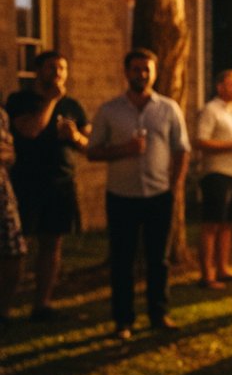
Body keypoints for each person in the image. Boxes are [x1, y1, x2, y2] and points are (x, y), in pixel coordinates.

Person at [86, 49, 190, 339]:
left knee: (159, 259)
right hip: (121, 196)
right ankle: (124, 320)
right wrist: (125, 150)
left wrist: (176, 185)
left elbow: (182, 149)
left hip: (159, 195)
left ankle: (159, 314)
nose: (141, 74)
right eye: (136, 69)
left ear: (154, 73)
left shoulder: (168, 109)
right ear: (126, 72)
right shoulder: (109, 111)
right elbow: (93, 152)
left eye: (146, 69)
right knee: (123, 260)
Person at [4, 51, 90, 322]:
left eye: (62, 68)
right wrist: (51, 101)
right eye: (52, 67)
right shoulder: (20, 100)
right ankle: (5, 304)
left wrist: (75, 136)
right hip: (27, 183)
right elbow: (29, 131)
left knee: (52, 243)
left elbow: (89, 144)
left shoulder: (73, 106)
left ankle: (42, 303)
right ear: (38, 70)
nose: (58, 73)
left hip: (61, 183)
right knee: (17, 246)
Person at [193, 70, 232, 289]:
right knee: (211, 224)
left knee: (228, 224)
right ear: (220, 87)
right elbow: (200, 141)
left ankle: (223, 268)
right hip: (217, 174)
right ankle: (206, 274)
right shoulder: (211, 110)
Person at [0, 108, 29, 331]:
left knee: (15, 251)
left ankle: (3, 313)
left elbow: (11, 154)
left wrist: (8, 155)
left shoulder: (1, 115)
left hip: (2, 192)